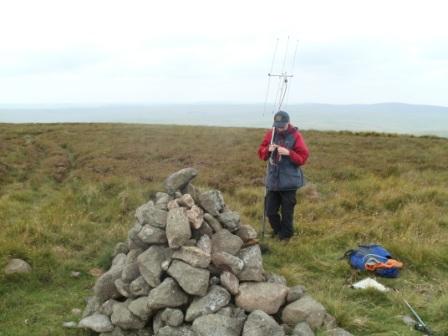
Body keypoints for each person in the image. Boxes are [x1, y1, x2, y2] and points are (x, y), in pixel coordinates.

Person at [258, 110, 309, 241]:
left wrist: (288, 153)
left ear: (288, 123)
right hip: (273, 181)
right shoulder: (271, 133)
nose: (279, 128)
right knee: (270, 211)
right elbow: (261, 152)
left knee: (287, 213)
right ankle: (278, 231)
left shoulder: (296, 136)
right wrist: (266, 150)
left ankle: (285, 237)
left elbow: (303, 158)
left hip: (289, 182)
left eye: (282, 125)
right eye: (277, 125)